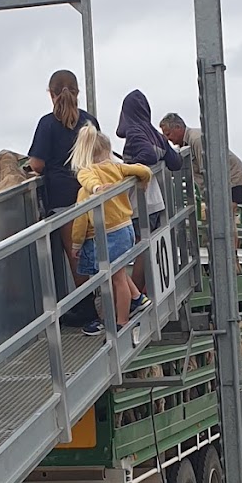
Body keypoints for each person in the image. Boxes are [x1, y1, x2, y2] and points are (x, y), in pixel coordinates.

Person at [69, 123, 153, 336]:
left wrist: (76, 244)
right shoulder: (117, 168)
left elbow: (80, 219)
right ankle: (137, 299)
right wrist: (144, 181)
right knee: (120, 273)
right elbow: (143, 169)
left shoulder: (86, 184)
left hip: (108, 233)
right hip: (126, 228)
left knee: (116, 279)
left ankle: (121, 322)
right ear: (107, 151)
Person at [27, 69, 98, 276]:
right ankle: (107, 300)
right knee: (99, 253)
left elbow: (37, 164)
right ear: (78, 92)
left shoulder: (46, 124)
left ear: (51, 94)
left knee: (75, 258)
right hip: (91, 193)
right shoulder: (90, 121)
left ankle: (86, 307)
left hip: (62, 198)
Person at [117, 91, 183, 233]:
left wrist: (125, 169)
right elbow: (176, 163)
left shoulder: (134, 132)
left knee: (140, 247)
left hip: (139, 205)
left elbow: (149, 155)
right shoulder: (157, 136)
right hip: (155, 203)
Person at [159, 112, 242, 207]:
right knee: (222, 214)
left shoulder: (196, 139)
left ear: (178, 128)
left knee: (225, 213)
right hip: (222, 180)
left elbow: (208, 170)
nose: (167, 138)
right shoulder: (186, 143)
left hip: (230, 178)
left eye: (168, 134)